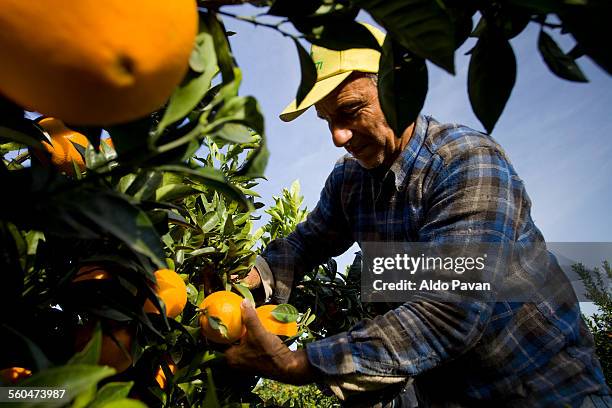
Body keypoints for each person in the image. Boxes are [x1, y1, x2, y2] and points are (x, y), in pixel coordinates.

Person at [225, 24, 610, 407]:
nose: (338, 136)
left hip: (547, 392)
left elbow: (452, 307)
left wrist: (299, 362)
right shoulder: (350, 182)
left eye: (351, 111)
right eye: (327, 120)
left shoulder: (466, 161)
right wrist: (252, 280)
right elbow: (304, 244)